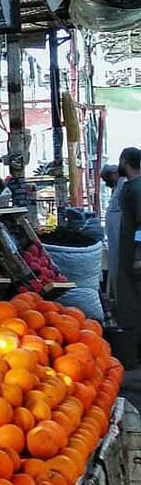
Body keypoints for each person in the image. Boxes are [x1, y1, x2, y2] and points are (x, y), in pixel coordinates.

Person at [115, 147, 141, 368]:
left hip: (135, 257)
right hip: (129, 255)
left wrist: (138, 255)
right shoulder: (131, 186)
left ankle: (135, 356)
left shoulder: (137, 188)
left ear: (125, 161)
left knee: (134, 303)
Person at [102, 162, 126, 303]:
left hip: (119, 240)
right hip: (117, 240)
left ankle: (120, 300)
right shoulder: (121, 186)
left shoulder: (123, 185)